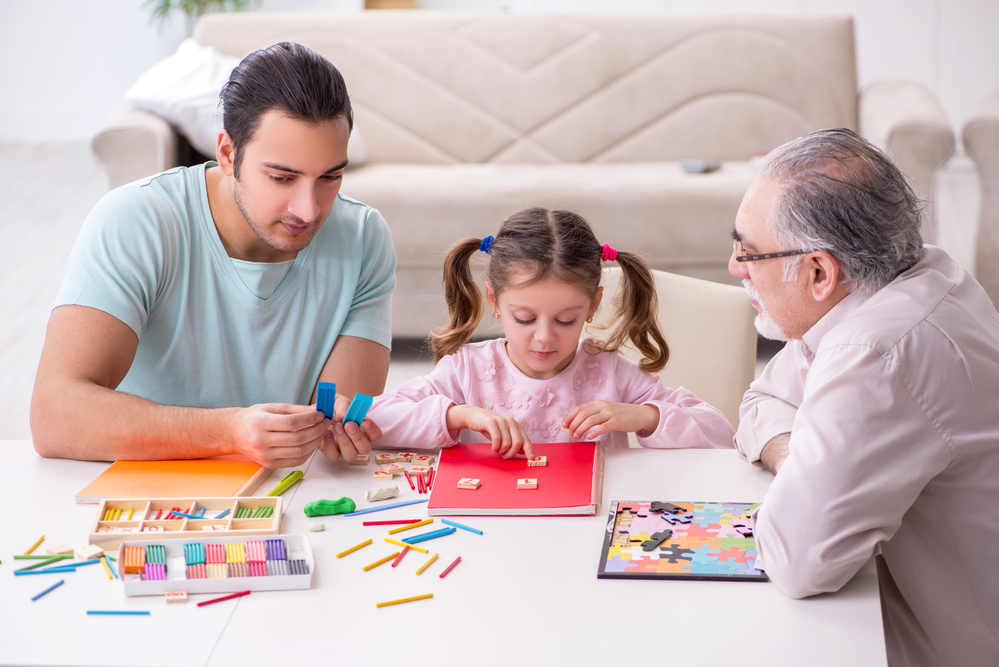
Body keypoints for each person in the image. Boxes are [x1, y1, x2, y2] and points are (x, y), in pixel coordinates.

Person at [30, 43, 395, 468]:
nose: (309, 210)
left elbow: (330, 432)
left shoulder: (363, 237)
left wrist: (341, 435)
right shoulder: (136, 221)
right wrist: (228, 432)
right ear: (227, 153)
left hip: (282, 500)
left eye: (330, 177)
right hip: (143, 492)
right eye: (281, 177)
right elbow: (55, 416)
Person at [731, 128, 999, 666]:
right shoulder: (915, 273)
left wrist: (802, 462)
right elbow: (759, 401)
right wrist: (803, 458)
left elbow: (796, 560)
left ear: (819, 272)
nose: (736, 267)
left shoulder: (874, 350)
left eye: (748, 251)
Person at [368, 207, 735, 458]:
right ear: (494, 301)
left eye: (565, 321)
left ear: (592, 305)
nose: (544, 338)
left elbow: (721, 436)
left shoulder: (609, 372)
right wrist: (462, 416)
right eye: (525, 319)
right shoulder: (466, 370)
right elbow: (373, 419)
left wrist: (645, 417)